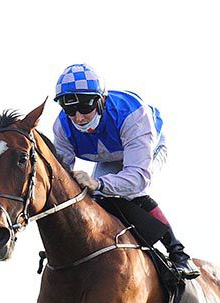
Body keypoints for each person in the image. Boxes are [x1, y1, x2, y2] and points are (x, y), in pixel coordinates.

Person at [52, 63, 199, 279]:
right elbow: (60, 179)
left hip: (147, 146)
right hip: (111, 155)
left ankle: (178, 253)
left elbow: (138, 179)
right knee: (98, 199)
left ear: (100, 100)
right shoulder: (62, 127)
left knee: (127, 191)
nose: (79, 118)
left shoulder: (132, 115)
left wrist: (98, 183)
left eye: (84, 107)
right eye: (70, 109)